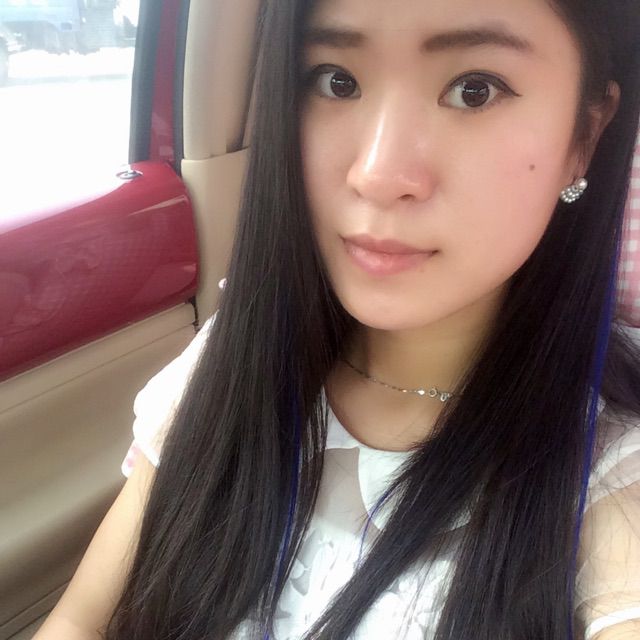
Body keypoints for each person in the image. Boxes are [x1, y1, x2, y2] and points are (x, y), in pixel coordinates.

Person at [34, 0, 640, 638]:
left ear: (585, 134)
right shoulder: (237, 357)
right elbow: (80, 621)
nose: (377, 175)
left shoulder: (610, 472)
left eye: (474, 90)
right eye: (336, 81)